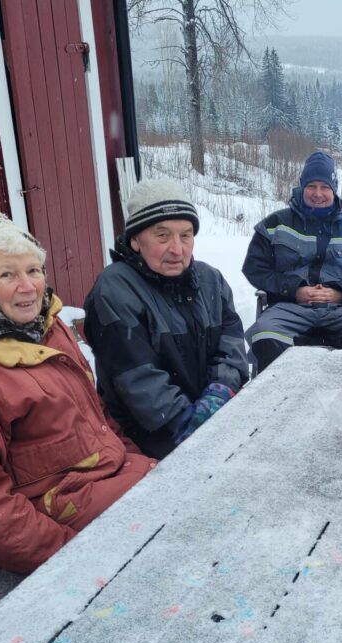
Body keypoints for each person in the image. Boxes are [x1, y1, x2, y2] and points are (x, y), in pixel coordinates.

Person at [0, 206, 154, 574]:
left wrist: (136, 462)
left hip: (116, 486)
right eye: (7, 274)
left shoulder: (45, 327)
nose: (29, 287)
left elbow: (99, 422)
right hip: (63, 527)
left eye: (34, 270)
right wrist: (67, 560)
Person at [83, 178, 249, 459]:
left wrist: (220, 391)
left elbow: (231, 345)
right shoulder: (114, 290)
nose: (177, 248)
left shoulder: (210, 281)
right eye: (163, 236)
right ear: (136, 240)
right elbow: (136, 377)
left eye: (185, 235)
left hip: (213, 414)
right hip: (148, 433)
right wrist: (184, 420)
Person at [243, 151, 342, 373]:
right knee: (265, 336)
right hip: (289, 307)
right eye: (312, 186)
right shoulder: (275, 225)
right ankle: (276, 401)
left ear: (334, 189)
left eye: (325, 187)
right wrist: (294, 290)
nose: (318, 194)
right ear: (302, 187)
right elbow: (255, 269)